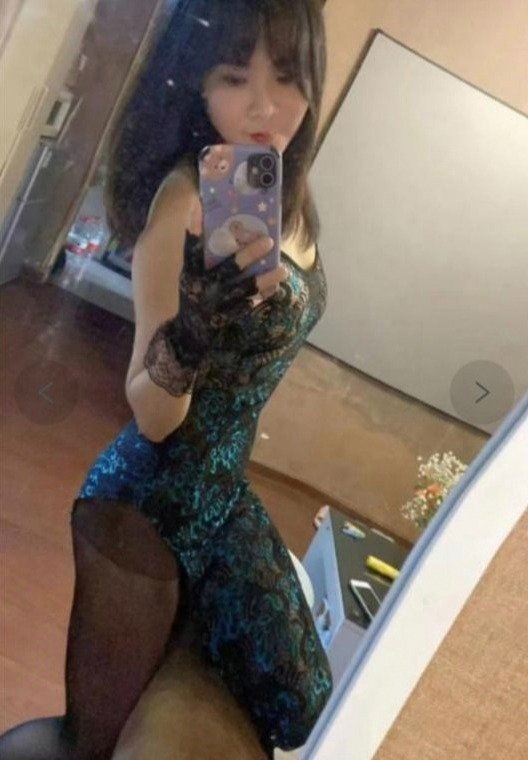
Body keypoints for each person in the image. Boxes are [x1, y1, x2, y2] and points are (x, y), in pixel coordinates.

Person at [0, 0, 333, 757]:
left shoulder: (283, 190)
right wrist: (194, 327)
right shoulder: (184, 202)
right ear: (198, 85)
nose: (264, 107)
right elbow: (152, 413)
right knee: (89, 742)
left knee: (307, 702)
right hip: (144, 510)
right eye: (233, 77)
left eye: (288, 76)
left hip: (220, 497)